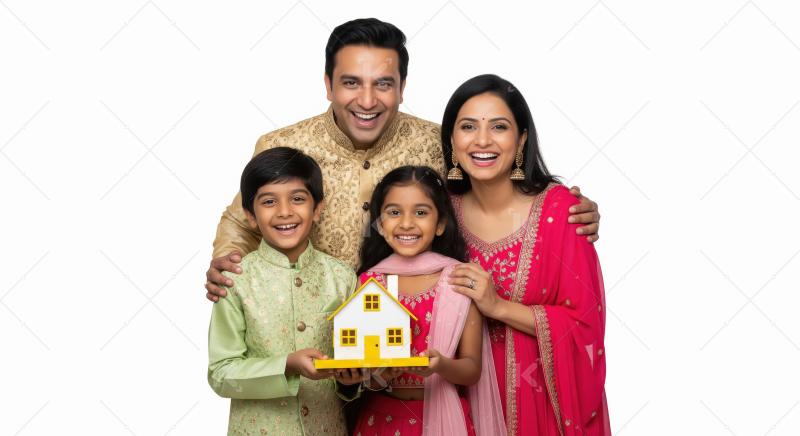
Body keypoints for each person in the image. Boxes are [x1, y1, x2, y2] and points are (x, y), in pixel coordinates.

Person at [205, 18, 601, 302]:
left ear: (402, 87)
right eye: (350, 83)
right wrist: (228, 260)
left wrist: (557, 211)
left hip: (415, 346)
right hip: (311, 337)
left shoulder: (437, 142)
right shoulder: (283, 144)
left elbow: (493, 187)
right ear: (328, 85)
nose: (366, 100)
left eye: (383, 84)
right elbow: (242, 220)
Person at [442, 75, 611, 435]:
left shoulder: (560, 212)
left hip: (542, 406)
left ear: (520, 140)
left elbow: (584, 327)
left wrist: (498, 307)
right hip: (460, 405)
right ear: (452, 142)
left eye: (499, 127)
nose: (482, 140)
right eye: (468, 126)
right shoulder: (438, 215)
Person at [342, 166, 506, 436]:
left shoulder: (459, 280)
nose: (407, 223)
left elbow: (472, 370)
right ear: (380, 226)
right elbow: (368, 377)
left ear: (440, 223)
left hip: (445, 421)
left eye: (421, 212)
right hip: (380, 420)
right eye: (394, 212)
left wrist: (441, 365)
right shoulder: (370, 283)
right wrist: (381, 376)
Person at [207, 147, 357, 435]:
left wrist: (351, 383)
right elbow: (221, 374)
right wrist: (285, 366)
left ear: (318, 209)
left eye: (298, 199)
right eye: (269, 201)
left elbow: (352, 359)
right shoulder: (234, 280)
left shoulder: (342, 278)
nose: (284, 212)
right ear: (250, 215)